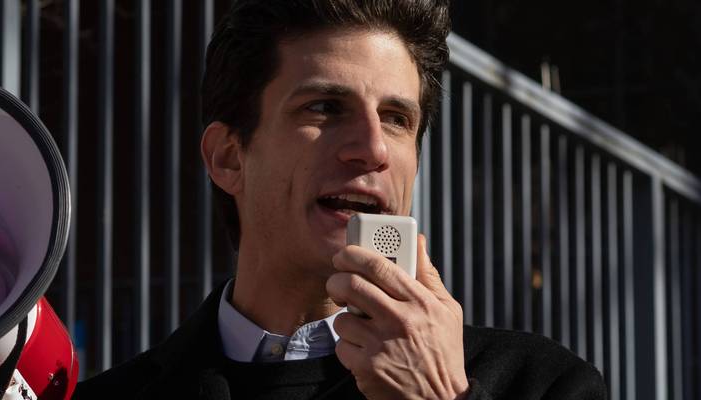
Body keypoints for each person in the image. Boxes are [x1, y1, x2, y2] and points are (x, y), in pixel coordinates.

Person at [73, 0, 607, 399]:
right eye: (326, 107)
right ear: (229, 159)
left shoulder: (541, 384)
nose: (373, 149)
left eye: (397, 120)